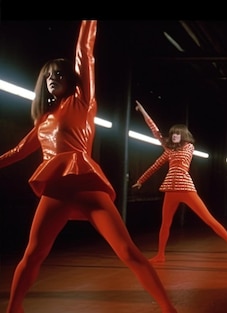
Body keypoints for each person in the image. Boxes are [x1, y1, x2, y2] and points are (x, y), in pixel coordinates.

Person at [0, 21, 178, 313]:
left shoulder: (82, 101)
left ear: (72, 79)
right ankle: (13, 310)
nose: (53, 78)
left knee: (127, 252)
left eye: (59, 74)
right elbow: (18, 152)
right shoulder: (43, 121)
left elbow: (85, 50)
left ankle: (168, 308)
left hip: (86, 186)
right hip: (56, 192)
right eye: (48, 76)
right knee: (33, 255)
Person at [132, 100, 227, 263]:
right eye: (173, 133)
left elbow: (162, 137)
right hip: (170, 189)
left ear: (183, 135)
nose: (174, 135)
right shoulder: (168, 151)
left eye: (177, 133)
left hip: (186, 188)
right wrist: (141, 180)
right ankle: (160, 254)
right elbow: (155, 141)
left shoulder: (189, 147)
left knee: (209, 220)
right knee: (165, 224)